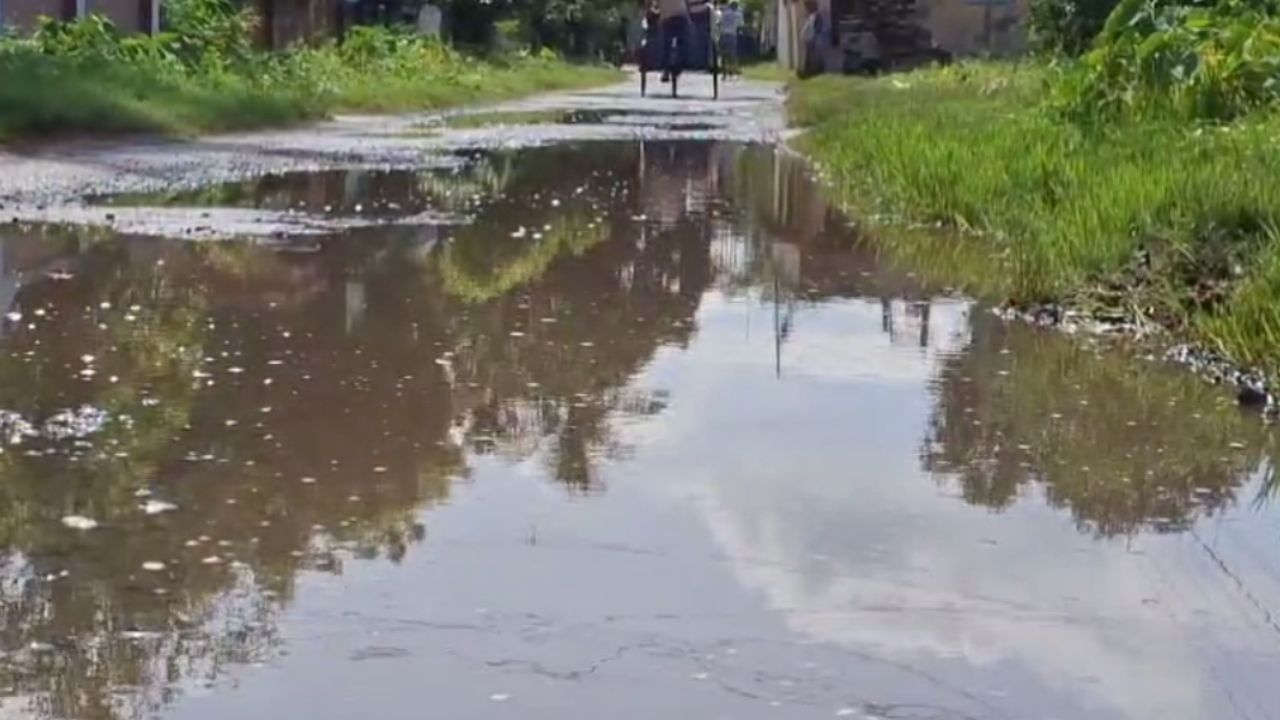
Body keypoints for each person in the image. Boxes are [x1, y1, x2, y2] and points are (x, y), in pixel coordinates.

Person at [656, 0, 690, 83]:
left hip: (667, 18)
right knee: (682, 41)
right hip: (681, 16)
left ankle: (666, 70)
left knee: (666, 45)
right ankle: (680, 64)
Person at [717, 0, 743, 75]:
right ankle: (732, 70)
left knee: (723, 54)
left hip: (723, 34)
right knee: (732, 54)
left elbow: (719, 23)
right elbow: (740, 27)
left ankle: (724, 71)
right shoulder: (738, 15)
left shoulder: (725, 13)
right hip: (732, 35)